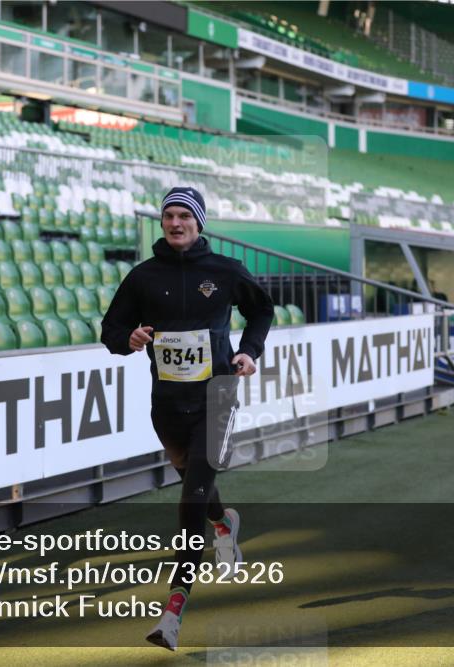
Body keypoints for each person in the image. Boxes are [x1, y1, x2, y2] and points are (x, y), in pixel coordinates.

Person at [100, 186, 274, 651]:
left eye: (184, 216)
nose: (175, 223)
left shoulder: (224, 271)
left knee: (191, 501)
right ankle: (226, 522)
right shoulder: (142, 277)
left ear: (199, 223)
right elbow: (111, 330)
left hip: (216, 398)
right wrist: (129, 337)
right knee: (197, 488)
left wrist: (249, 351)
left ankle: (172, 613)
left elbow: (261, 310)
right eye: (169, 216)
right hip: (167, 405)